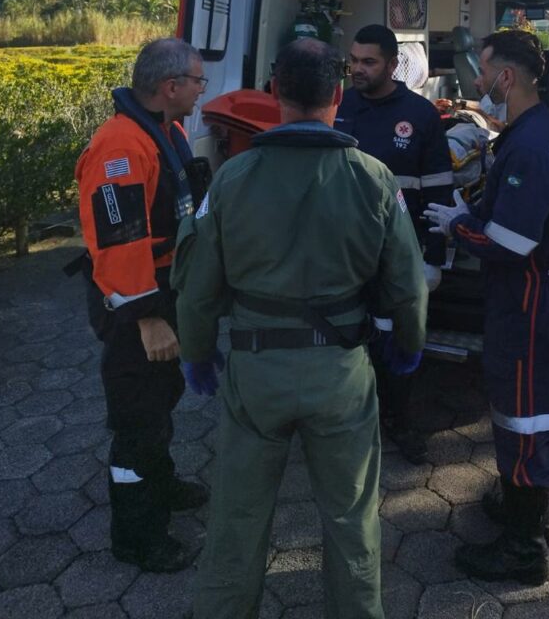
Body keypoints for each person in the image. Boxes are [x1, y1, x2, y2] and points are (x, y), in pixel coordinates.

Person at [172, 38, 427, 619]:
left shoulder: (230, 180)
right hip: (341, 374)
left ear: (274, 93)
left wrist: (196, 352)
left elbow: (197, 288)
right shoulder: (374, 178)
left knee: (237, 518)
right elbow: (408, 286)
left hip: (256, 373)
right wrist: (408, 344)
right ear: (338, 93)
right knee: (351, 518)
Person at [425, 29, 549, 587]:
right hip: (540, 293)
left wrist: (458, 226)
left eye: (483, 71)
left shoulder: (530, 146)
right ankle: (526, 511)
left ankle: (523, 549)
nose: (477, 82)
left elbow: (511, 243)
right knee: (536, 413)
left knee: (523, 416)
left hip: (528, 298)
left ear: (506, 77)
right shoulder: (536, 130)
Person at [74, 38, 212, 572]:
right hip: (136, 306)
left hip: (164, 289)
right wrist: (148, 318)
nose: (203, 90)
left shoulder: (165, 130)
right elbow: (121, 242)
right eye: (198, 81)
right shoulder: (120, 147)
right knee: (137, 418)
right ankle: (137, 536)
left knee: (162, 398)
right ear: (170, 86)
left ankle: (162, 478)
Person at [335, 24, 454, 464]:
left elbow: (440, 189)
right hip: (345, 250)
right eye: (353, 60)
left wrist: (435, 256)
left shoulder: (420, 115)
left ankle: (400, 422)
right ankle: (353, 420)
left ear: (391, 64)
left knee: (400, 339)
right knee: (348, 337)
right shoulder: (340, 106)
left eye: (368, 62)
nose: (358, 69)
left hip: (399, 252)